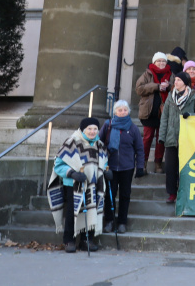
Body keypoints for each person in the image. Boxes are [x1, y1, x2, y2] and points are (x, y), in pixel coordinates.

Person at [48, 117, 109, 253]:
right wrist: (72, 173)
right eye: (89, 129)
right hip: (73, 184)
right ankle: (69, 240)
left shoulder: (99, 144)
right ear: (83, 129)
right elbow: (58, 165)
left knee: (91, 210)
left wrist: (106, 170)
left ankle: (86, 240)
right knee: (72, 212)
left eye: (95, 129)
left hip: (93, 184)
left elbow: (104, 162)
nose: (92, 132)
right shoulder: (72, 142)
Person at [160, 71, 195, 203]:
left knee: (184, 168)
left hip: (187, 139)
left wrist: (190, 115)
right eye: (176, 80)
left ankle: (184, 192)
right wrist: (162, 136)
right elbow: (165, 118)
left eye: (179, 80)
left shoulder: (193, 96)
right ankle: (172, 193)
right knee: (170, 167)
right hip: (171, 138)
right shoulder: (170, 96)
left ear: (185, 83)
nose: (176, 82)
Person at [100, 100, 144, 235]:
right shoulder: (108, 125)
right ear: (115, 112)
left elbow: (140, 149)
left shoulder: (133, 128)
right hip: (111, 167)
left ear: (128, 112)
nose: (123, 112)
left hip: (127, 167)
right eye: (120, 110)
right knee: (110, 195)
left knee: (125, 195)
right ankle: (109, 221)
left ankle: (122, 222)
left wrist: (140, 166)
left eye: (125, 110)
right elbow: (99, 144)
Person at [135, 51, 170, 174]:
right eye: (159, 61)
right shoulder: (147, 74)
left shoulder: (171, 74)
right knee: (147, 139)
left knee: (161, 140)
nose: (161, 63)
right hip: (149, 113)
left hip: (164, 114)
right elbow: (139, 89)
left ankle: (158, 164)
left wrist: (169, 86)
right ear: (154, 62)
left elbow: (177, 87)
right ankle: (142, 164)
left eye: (163, 61)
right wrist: (156, 86)